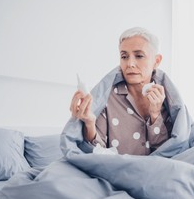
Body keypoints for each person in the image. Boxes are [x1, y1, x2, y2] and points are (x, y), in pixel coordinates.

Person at [69, 27, 173, 155]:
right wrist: (90, 123)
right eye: (124, 56)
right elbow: (97, 151)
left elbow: (168, 152)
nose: (130, 63)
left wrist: (155, 115)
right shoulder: (108, 97)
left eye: (139, 56)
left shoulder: (167, 99)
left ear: (156, 61)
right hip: (116, 171)